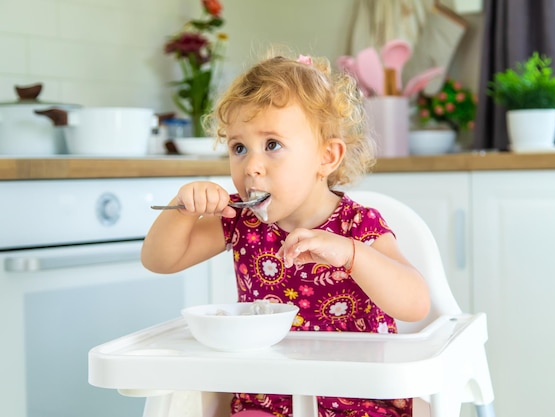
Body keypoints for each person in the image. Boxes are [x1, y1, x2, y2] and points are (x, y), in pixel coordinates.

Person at [141, 52, 431, 417]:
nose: (252, 167)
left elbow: (416, 303)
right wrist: (183, 210)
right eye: (239, 148)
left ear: (327, 157)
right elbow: (159, 260)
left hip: (360, 401)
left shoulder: (356, 225)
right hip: (267, 399)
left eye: (272, 145)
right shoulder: (238, 219)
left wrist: (351, 254)